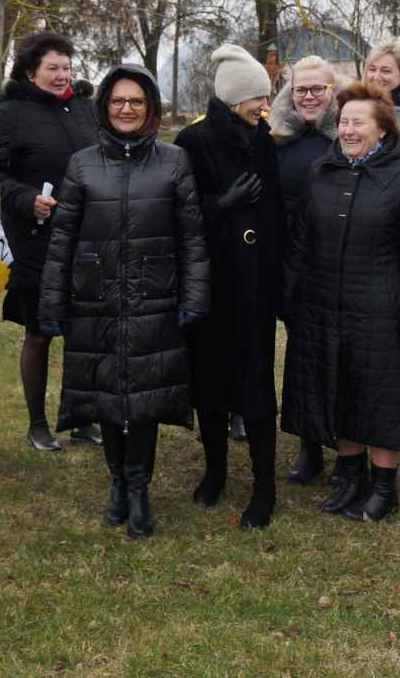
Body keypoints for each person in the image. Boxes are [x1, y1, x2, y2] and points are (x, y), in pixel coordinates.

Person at [37, 65, 210, 539]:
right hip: (97, 298)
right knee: (108, 396)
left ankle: (139, 487)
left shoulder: (174, 161)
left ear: (149, 107)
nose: (127, 109)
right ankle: (117, 480)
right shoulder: (82, 164)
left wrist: (195, 297)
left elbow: (192, 237)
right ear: (105, 107)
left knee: (146, 400)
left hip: (155, 297)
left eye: (136, 101)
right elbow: (62, 240)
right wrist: (52, 304)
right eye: (118, 101)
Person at [282, 82, 400, 522]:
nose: (349, 130)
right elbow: (301, 240)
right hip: (324, 305)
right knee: (340, 388)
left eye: (359, 123)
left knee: (381, 397)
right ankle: (349, 477)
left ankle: (384, 487)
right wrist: (289, 296)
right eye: (344, 122)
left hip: (382, 310)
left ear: (383, 129)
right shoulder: (322, 171)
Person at [174, 44, 284, 528]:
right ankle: (215, 472)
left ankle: (265, 487)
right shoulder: (192, 141)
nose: (264, 105)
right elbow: (181, 212)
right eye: (257, 97)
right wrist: (222, 204)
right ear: (235, 97)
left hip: (254, 283)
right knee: (210, 384)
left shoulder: (264, 141)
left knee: (256, 384)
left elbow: (276, 212)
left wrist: (276, 275)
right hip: (209, 279)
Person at [0, 32, 101, 451]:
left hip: (85, 238)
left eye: (66, 67)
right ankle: (37, 423)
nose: (62, 75)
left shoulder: (85, 109)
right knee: (39, 334)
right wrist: (26, 200)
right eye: (52, 68)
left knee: (85, 332)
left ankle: (81, 417)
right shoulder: (10, 113)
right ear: (30, 72)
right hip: (35, 240)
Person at [268, 55, 337, 486]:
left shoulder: (348, 135)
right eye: (300, 90)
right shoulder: (278, 140)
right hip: (294, 263)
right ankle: (310, 445)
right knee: (304, 357)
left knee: (344, 357)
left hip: (341, 262)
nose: (309, 97)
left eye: (318, 89)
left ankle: (349, 446)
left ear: (333, 92)